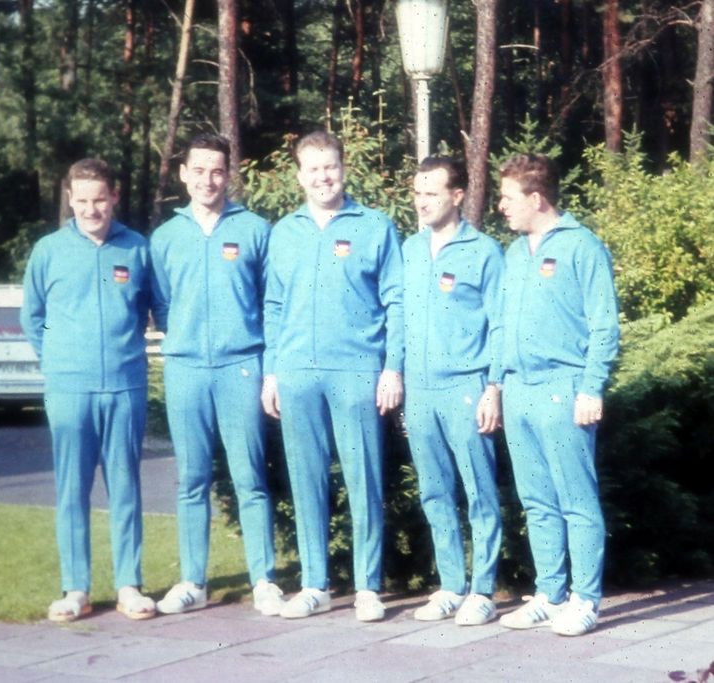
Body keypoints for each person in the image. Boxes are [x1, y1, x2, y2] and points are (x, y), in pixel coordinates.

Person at [261, 130, 404, 623]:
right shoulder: (284, 232)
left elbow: (396, 302)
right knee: (305, 480)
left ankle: (367, 586)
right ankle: (314, 584)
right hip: (297, 371)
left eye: (331, 167)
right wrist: (271, 373)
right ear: (299, 175)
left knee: (364, 477)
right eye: (313, 169)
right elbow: (274, 306)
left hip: (356, 370)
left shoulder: (376, 227)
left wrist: (392, 366)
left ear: (344, 170)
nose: (323, 177)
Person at [150, 134, 284, 617]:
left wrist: (268, 370)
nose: (208, 180)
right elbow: (162, 303)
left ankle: (264, 579)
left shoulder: (254, 230)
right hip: (186, 368)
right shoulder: (165, 237)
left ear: (230, 175)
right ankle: (193, 581)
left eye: (217, 171)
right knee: (191, 480)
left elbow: (271, 301)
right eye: (199, 170)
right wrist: (184, 340)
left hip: (240, 367)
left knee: (249, 477)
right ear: (183, 174)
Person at [21, 158, 155, 623]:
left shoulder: (137, 248)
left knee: (125, 488)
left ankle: (128, 585)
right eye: (82, 201)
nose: (91, 209)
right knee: (72, 489)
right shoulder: (48, 250)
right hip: (69, 389)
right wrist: (61, 361)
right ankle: (75, 588)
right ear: (70, 200)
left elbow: (146, 311)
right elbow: (32, 318)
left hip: (124, 386)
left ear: (114, 197)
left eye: (100, 199)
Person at [496, 153, 619, 637]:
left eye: (508, 198)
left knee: (575, 499)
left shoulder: (582, 247)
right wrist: (497, 385)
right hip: (519, 390)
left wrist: (591, 386)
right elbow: (502, 324)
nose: (501, 207)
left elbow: (604, 324)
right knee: (536, 500)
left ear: (536, 198)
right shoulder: (513, 253)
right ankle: (549, 593)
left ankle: (585, 599)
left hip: (562, 389)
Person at [403, 157, 504, 626]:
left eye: (432, 193)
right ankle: (450, 585)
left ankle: (482, 589)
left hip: (466, 386)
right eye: (418, 193)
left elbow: (501, 325)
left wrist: (494, 387)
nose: (422, 202)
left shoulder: (484, 252)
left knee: (479, 491)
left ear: (458, 195)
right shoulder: (408, 249)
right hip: (420, 391)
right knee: (434, 491)